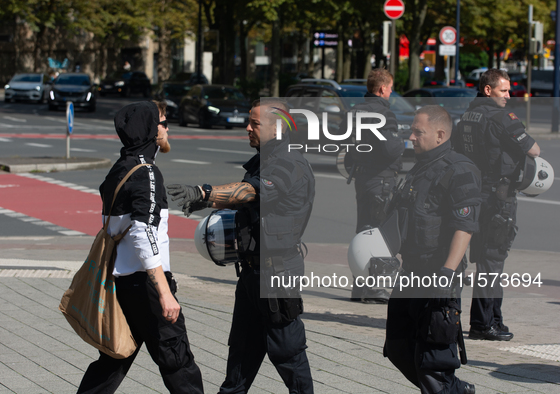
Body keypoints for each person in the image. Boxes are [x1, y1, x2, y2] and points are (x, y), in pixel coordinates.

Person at [167, 99, 315, 394]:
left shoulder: (289, 162)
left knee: (288, 354)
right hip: (251, 273)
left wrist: (203, 192)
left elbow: (250, 191)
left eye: (255, 124)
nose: (247, 128)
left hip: (277, 275)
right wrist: (206, 201)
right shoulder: (266, 158)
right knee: (241, 355)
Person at [77, 101, 204, 394]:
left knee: (113, 359)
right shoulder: (145, 172)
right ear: (150, 129)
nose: (166, 127)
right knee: (178, 364)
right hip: (147, 285)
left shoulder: (119, 169)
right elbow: (142, 231)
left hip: (123, 284)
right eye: (162, 122)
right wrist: (164, 292)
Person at [384, 105, 481, 394]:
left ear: (440, 134)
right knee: (398, 347)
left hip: (438, 274)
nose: (410, 137)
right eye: (411, 131)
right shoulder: (421, 167)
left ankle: (447, 387)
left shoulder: (460, 169)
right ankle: (455, 390)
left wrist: (447, 272)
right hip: (410, 271)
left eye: (418, 132)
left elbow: (465, 226)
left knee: (433, 363)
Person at [456, 68, 540, 341]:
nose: (509, 95)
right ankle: (484, 323)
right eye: (504, 90)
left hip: (474, 194)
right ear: (488, 90)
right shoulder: (501, 117)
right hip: (498, 198)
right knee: (492, 261)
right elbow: (533, 149)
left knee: (483, 259)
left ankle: (492, 319)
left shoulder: (468, 115)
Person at [343, 68, 405, 304]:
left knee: (363, 230)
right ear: (382, 89)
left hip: (363, 178)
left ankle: (359, 287)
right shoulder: (384, 114)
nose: (391, 92)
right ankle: (376, 288)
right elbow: (390, 148)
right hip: (381, 179)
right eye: (390, 88)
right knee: (379, 233)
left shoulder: (356, 110)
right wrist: (402, 140)